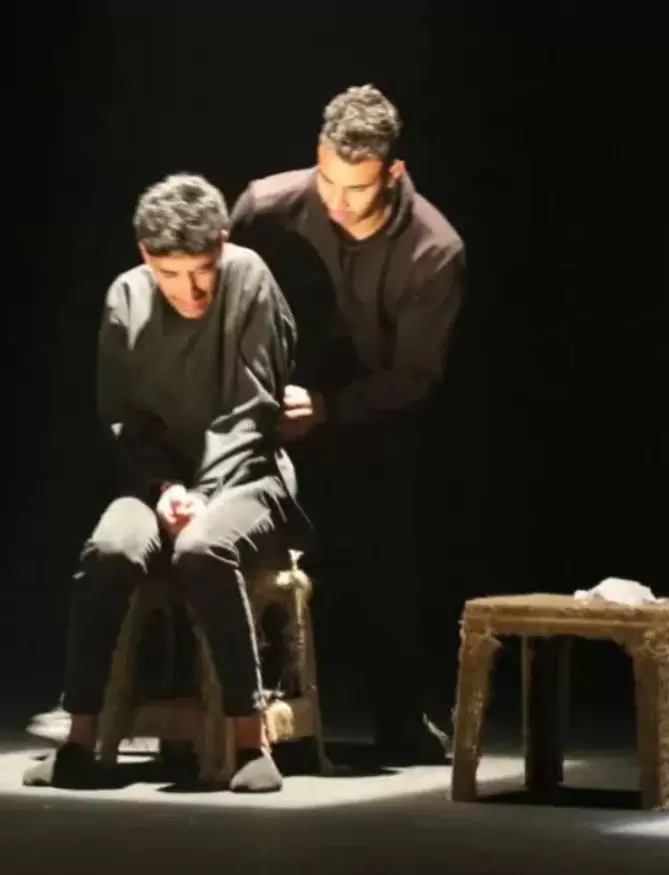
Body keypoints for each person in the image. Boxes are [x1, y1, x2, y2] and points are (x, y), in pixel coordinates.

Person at [24, 173, 302, 793]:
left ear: (221, 246)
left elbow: (253, 408)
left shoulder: (249, 278)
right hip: (162, 484)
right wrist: (164, 486)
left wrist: (203, 493)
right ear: (146, 258)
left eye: (201, 272)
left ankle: (250, 740)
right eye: (170, 274)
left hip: (246, 479)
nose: (190, 290)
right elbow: (123, 418)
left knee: (202, 547)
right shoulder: (126, 296)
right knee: (110, 548)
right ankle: (79, 738)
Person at [229, 84, 465, 765]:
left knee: (382, 560)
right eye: (326, 179)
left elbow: (414, 375)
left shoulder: (433, 249)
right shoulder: (266, 207)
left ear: (392, 172)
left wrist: (331, 408)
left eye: (356, 188)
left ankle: (400, 720)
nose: (335, 200)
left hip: (370, 417)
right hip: (272, 405)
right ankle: (232, 709)